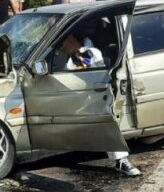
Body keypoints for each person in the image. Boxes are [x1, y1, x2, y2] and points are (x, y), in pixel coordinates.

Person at [56, 33, 140, 177]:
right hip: (77, 99)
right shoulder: (68, 61)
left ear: (73, 39)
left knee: (105, 118)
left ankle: (121, 160)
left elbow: (96, 74)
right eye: (62, 45)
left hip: (96, 96)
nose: (64, 47)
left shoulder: (91, 52)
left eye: (65, 42)